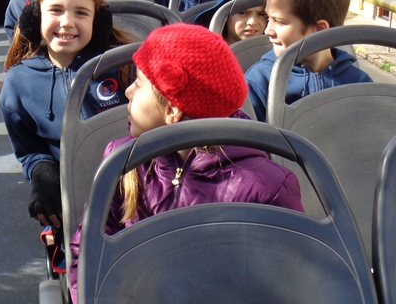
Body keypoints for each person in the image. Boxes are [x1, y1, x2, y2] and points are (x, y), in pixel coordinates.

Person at [67, 24, 304, 303]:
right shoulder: (122, 164)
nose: (128, 91)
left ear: (172, 110)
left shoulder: (267, 187)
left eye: (139, 83)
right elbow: (88, 252)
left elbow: (287, 282)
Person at [0, 0, 136, 232]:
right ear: (35, 17)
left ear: (98, 21)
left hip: (136, 187)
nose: (66, 22)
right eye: (56, 10)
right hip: (73, 200)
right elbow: (29, 150)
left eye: (81, 13)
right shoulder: (19, 82)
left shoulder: (124, 66)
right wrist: (43, 174)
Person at [245, 0, 372, 121]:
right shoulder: (260, 79)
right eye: (268, 18)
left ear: (320, 30)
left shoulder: (358, 83)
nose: (268, 30)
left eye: (279, 21)